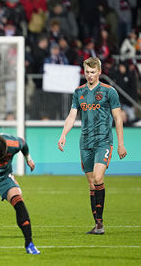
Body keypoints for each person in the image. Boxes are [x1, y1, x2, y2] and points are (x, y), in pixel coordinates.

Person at [58, 57, 127, 235]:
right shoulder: (78, 92)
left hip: (103, 141)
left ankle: (100, 223)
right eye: (87, 72)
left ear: (99, 72)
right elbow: (72, 116)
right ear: (84, 72)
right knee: (91, 183)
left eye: (93, 72)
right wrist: (63, 134)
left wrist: (120, 144)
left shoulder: (109, 91)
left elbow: (118, 118)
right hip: (85, 142)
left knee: (97, 178)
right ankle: (98, 224)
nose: (90, 75)